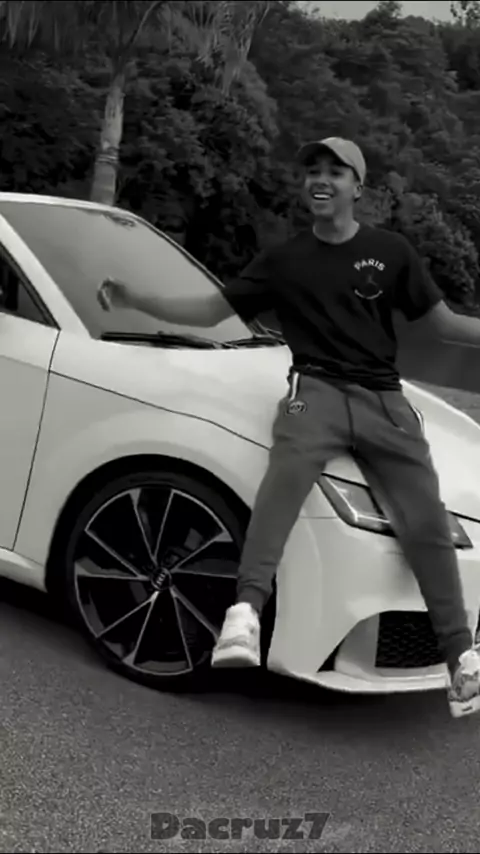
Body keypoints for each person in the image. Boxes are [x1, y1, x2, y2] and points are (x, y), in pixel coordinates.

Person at [98, 137, 480, 719]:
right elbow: (212, 310)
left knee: (426, 518)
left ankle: (460, 661)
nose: (320, 180)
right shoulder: (285, 259)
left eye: (335, 172)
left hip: (384, 401)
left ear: (358, 187)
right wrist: (135, 298)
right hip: (316, 391)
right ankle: (244, 614)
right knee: (285, 479)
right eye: (312, 171)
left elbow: (444, 325)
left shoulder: (390, 251)